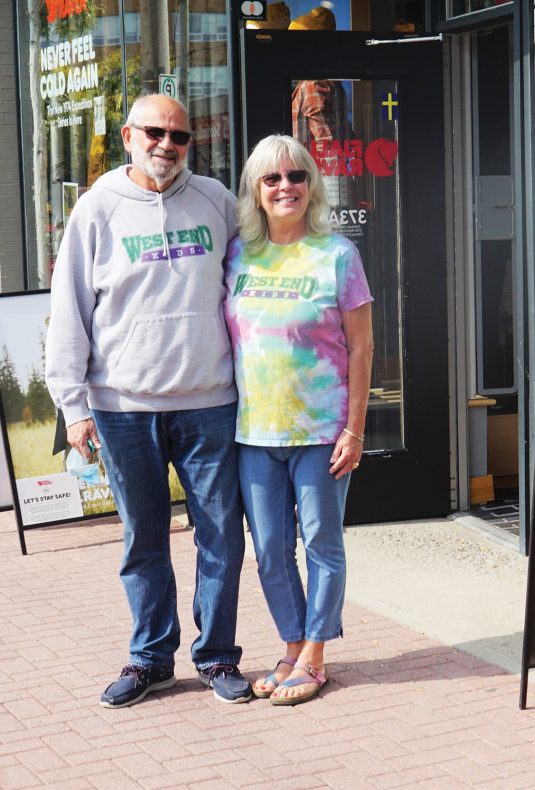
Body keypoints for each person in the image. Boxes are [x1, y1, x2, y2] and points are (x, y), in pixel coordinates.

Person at [45, 94, 251, 708]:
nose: (167, 145)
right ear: (129, 136)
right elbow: (69, 310)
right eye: (156, 133)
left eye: (180, 136)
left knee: (221, 536)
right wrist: (73, 404)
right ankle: (150, 659)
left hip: (210, 401)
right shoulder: (96, 210)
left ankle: (216, 656)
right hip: (122, 405)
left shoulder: (217, 202)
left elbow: (252, 282)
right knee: (143, 537)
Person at [225, 134, 374, 705]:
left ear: (311, 185)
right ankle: (290, 642)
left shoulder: (337, 254)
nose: (284, 186)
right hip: (254, 432)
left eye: (295, 176)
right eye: (271, 179)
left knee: (322, 543)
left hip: (321, 432)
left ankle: (315, 652)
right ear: (256, 192)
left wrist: (355, 429)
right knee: (269, 547)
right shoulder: (238, 253)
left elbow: (362, 349)